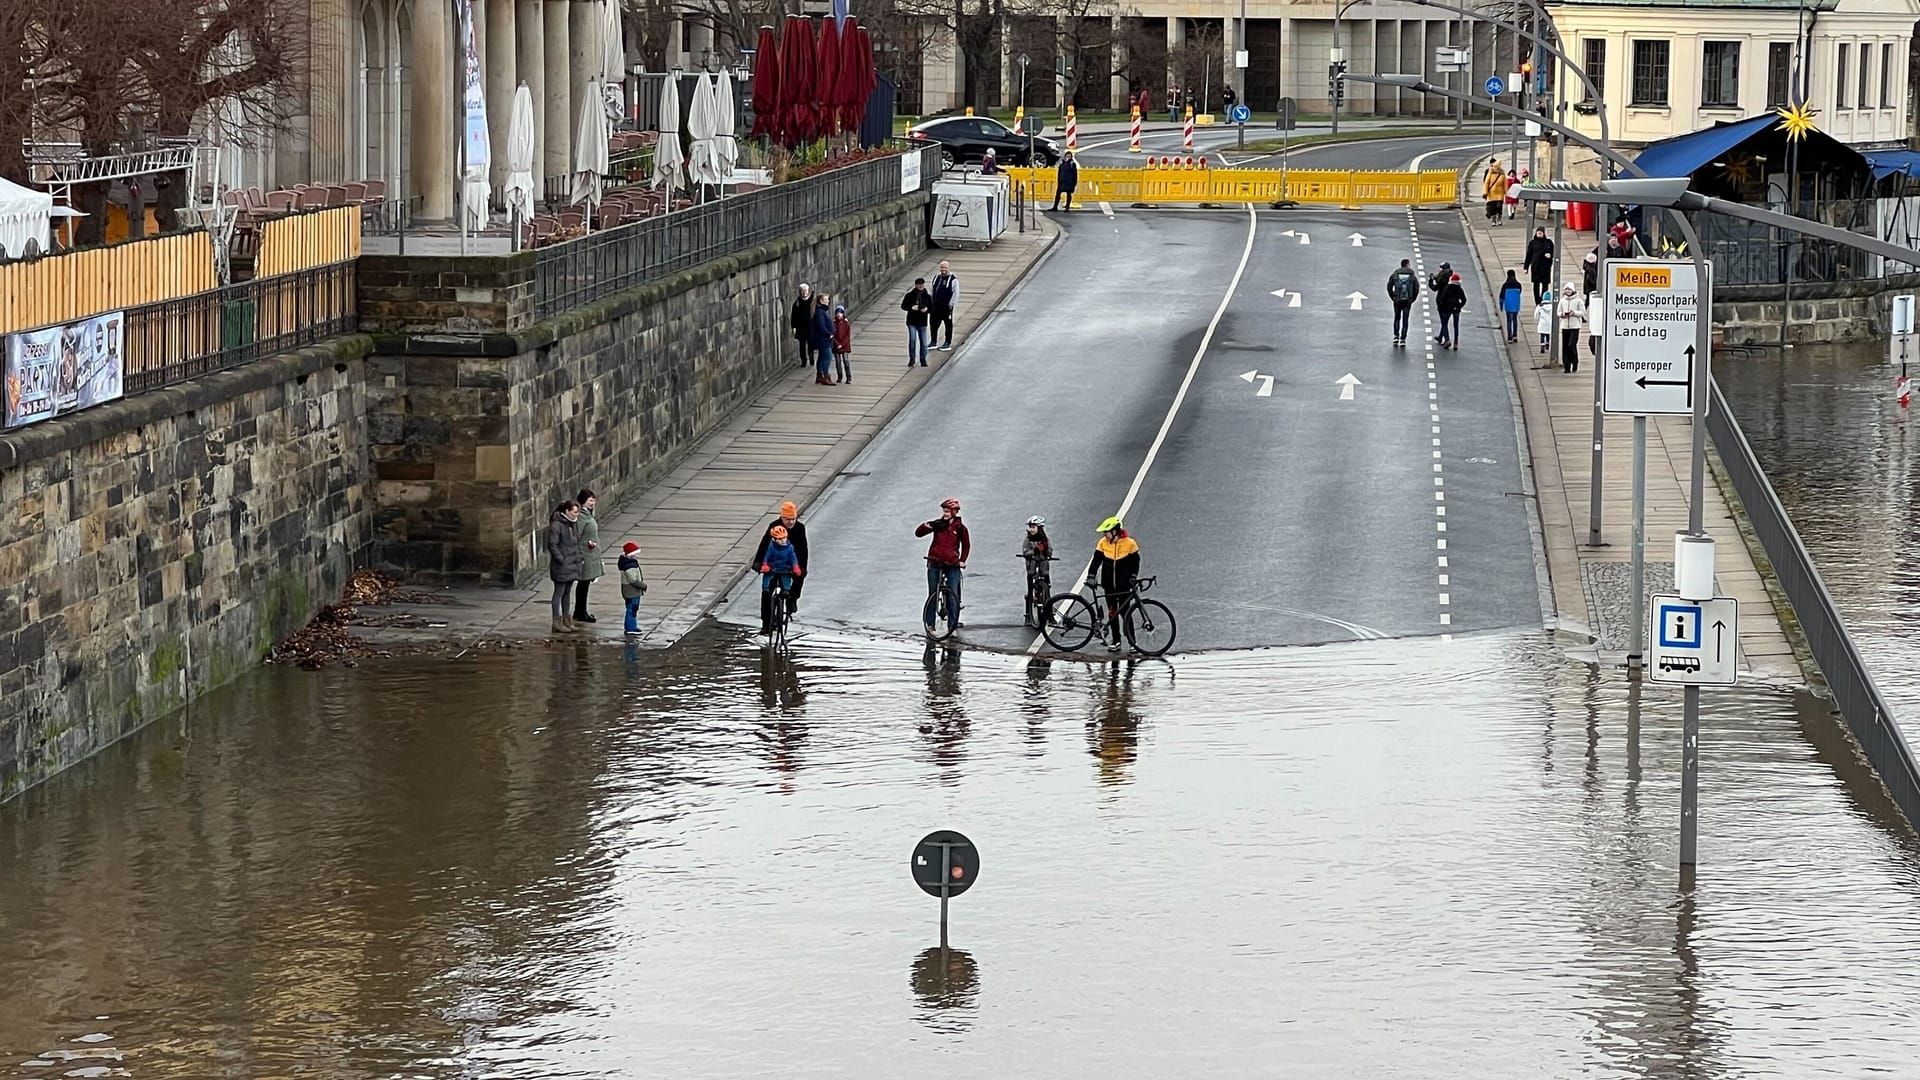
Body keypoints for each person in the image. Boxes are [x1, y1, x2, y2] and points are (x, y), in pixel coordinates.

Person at [915, 497, 971, 634]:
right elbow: (918, 534)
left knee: (953, 596)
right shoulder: (937, 524)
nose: (945, 514)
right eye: (944, 511)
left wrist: (962, 560)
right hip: (935, 562)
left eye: (948, 511)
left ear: (954, 512)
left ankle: (952, 626)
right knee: (933, 594)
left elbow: (966, 546)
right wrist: (925, 527)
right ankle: (930, 625)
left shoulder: (961, 528)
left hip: (952, 564)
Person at [1087, 516, 1141, 653]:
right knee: (1112, 613)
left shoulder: (1130, 544)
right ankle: (1115, 641)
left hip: (1124, 586)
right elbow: (1096, 561)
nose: (1104, 535)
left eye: (1106, 532)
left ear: (1115, 531)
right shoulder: (1103, 543)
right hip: (1109, 585)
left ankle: (1132, 642)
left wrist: (1133, 577)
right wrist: (1091, 576)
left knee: (1126, 613)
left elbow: (1136, 563)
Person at [752, 501, 811, 615]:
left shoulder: (800, 528)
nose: (791, 522)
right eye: (788, 519)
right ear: (782, 518)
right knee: (767, 593)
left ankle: (792, 600)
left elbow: (803, 550)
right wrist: (758, 562)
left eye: (793, 519)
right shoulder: (774, 526)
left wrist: (802, 567)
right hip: (773, 564)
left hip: (791, 562)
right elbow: (764, 545)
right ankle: (766, 623)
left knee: (799, 578)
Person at [759, 525, 803, 636]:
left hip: (784, 570)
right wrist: (764, 565)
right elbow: (766, 557)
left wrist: (796, 567)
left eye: (784, 538)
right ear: (774, 539)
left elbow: (793, 559)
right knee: (767, 588)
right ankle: (767, 624)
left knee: (786, 581)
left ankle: (785, 593)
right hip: (772, 569)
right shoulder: (771, 547)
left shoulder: (790, 548)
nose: (783, 540)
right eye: (780, 539)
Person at [547, 500, 583, 635]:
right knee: (559, 592)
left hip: (572, 563)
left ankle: (567, 619)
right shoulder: (557, 525)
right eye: (574, 512)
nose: (576, 515)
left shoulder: (572, 524)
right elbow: (552, 545)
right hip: (562, 565)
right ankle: (557, 621)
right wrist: (561, 559)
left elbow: (576, 542)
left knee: (567, 592)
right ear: (567, 511)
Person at [572, 488, 602, 623]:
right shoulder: (582, 517)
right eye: (590, 500)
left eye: (593, 500)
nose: (593, 503)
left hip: (589, 554)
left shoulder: (587, 514)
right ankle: (580, 611)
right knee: (583, 584)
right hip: (585, 555)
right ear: (583, 501)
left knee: (585, 584)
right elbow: (576, 535)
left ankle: (581, 610)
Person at [1387, 258, 1420, 346]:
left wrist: (1393, 297)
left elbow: (1389, 286)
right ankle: (1403, 339)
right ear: (1407, 265)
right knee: (1405, 319)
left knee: (1397, 317)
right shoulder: (1412, 274)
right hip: (1408, 300)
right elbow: (1417, 287)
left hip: (1397, 299)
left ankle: (1396, 336)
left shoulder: (1396, 273)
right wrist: (1412, 298)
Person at [618, 541, 648, 636]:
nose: (637, 556)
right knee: (632, 609)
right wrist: (643, 586)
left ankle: (631, 626)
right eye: (635, 554)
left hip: (629, 591)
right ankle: (631, 627)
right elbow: (633, 580)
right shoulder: (630, 566)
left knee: (631, 608)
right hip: (632, 592)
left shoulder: (628, 564)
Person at [902, 276, 932, 367]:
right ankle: (912, 359)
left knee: (923, 342)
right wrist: (911, 308)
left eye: (922, 284)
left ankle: (923, 359)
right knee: (912, 340)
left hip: (922, 322)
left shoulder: (927, 296)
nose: (920, 286)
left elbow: (932, 308)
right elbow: (903, 306)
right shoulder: (909, 296)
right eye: (919, 284)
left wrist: (927, 309)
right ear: (915, 285)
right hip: (912, 321)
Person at [1557, 281, 1587, 373]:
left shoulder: (1578, 301)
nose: (1568, 291)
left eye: (1569, 289)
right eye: (1566, 289)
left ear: (1573, 290)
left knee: (1571, 345)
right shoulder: (1562, 301)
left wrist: (1574, 313)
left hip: (1575, 326)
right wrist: (1562, 314)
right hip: (1565, 326)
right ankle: (1566, 366)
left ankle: (1574, 362)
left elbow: (1583, 312)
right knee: (1565, 347)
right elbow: (1558, 312)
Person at [929, 261, 959, 350]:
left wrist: (951, 304)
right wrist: (931, 301)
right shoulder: (936, 277)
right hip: (935, 306)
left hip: (946, 306)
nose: (943, 270)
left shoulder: (953, 280)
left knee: (948, 324)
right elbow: (932, 289)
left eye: (945, 268)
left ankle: (947, 343)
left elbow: (956, 293)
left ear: (948, 268)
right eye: (942, 268)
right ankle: (933, 341)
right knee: (933, 324)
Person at [1436, 272, 1467, 349]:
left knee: (1444, 324)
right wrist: (1459, 306)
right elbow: (1464, 300)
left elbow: (1442, 298)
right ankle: (1456, 343)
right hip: (1456, 309)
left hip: (1447, 308)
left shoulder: (1447, 288)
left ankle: (1447, 339)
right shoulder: (1459, 289)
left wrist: (1441, 307)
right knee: (1456, 326)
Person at [1523, 227, 1554, 304]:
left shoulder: (1549, 242)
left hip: (1545, 267)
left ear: (1544, 233)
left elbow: (1553, 252)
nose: (1539, 234)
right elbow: (1529, 255)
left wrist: (1550, 256)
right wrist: (1526, 267)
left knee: (1545, 285)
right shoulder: (1532, 243)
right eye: (1538, 233)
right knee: (1536, 285)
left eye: (1541, 233)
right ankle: (1537, 301)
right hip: (1536, 267)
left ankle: (1543, 299)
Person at [811, 292, 836, 386]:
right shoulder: (820, 312)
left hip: (823, 339)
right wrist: (829, 334)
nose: (828, 301)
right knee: (827, 358)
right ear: (821, 301)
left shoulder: (821, 311)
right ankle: (825, 376)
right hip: (824, 340)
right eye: (826, 300)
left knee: (821, 358)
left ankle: (819, 375)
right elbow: (821, 326)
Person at [788, 283, 814, 367]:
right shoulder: (797, 303)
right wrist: (794, 326)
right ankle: (803, 360)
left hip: (810, 326)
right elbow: (794, 316)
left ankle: (811, 357)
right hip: (801, 327)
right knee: (802, 345)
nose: (804, 292)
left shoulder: (812, 301)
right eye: (802, 291)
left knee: (811, 344)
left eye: (805, 291)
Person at [1500, 269, 1523, 343]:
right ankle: (1515, 335)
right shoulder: (1518, 285)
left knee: (1509, 321)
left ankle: (1509, 337)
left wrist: (1501, 305)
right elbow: (1519, 293)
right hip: (1515, 305)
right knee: (1515, 319)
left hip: (1508, 305)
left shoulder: (1505, 285)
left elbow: (1501, 296)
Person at [832, 304, 853, 384]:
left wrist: (842, 344)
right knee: (838, 362)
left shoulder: (846, 323)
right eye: (837, 313)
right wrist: (837, 344)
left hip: (845, 346)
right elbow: (832, 335)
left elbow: (847, 336)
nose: (838, 314)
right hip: (836, 345)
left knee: (846, 361)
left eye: (840, 313)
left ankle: (848, 377)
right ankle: (840, 376)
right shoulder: (833, 323)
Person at [1483, 159, 1505, 225]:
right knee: (1492, 208)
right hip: (1491, 194)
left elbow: (1505, 184)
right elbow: (1486, 183)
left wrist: (1507, 193)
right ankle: (1493, 220)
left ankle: (1499, 218)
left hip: (1500, 194)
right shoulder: (1488, 172)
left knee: (1499, 207)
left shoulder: (1502, 174)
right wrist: (1485, 192)